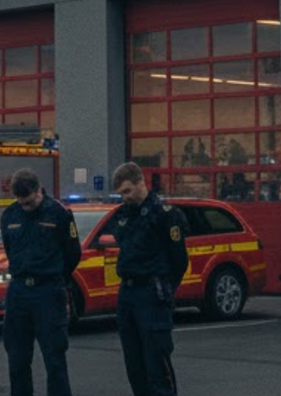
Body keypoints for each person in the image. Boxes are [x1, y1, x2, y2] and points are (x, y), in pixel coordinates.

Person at [108, 162, 189, 396]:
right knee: (134, 366)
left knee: (157, 364)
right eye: (121, 193)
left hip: (152, 293)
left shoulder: (165, 215)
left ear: (141, 183)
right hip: (128, 294)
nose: (124, 198)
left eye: (127, 191)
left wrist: (163, 290)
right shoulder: (123, 215)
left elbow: (179, 261)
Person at [0, 168, 81, 396]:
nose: (26, 206)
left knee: (54, 358)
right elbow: (10, 249)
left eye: (29, 201)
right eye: (21, 202)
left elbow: (73, 253)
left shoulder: (59, 214)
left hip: (48, 291)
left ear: (39, 190)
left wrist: (56, 278)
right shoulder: (10, 216)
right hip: (19, 292)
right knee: (17, 358)